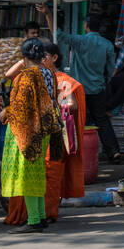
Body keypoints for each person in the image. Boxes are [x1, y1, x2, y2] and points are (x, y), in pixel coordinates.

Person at [0, 38, 63, 234]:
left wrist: (6, 112)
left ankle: (34, 220)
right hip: (44, 129)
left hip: (27, 130)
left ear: (24, 56)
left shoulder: (27, 76)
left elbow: (22, 107)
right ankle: (40, 216)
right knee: (36, 174)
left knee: (26, 176)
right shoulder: (49, 73)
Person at [43, 7, 121, 162]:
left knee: (77, 120)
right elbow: (110, 69)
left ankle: (74, 151)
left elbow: (57, 34)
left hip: (79, 89)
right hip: (98, 88)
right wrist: (104, 81)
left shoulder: (80, 41)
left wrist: (47, 14)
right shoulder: (107, 45)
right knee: (102, 120)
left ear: (86, 26)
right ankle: (113, 151)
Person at [41, 41, 86, 222]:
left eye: (43, 57)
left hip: (55, 134)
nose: (40, 61)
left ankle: (49, 212)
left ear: (54, 58)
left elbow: (71, 104)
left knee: (52, 175)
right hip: (39, 133)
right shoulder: (37, 77)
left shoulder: (62, 80)